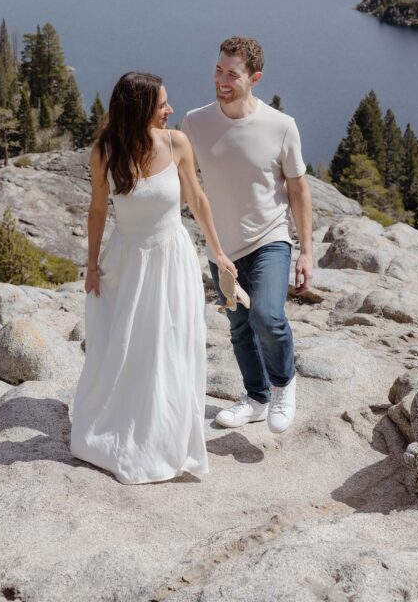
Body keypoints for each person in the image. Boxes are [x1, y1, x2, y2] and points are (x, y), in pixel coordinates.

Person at [69, 71, 236, 485]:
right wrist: (91, 265)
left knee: (173, 346)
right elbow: (96, 210)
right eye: (163, 104)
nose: (170, 110)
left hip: (172, 259)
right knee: (126, 347)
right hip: (127, 261)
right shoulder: (105, 150)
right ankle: (126, 430)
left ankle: (168, 435)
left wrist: (218, 252)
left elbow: (197, 199)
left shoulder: (177, 143)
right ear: (140, 107)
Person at [181, 36, 313, 435]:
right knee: (238, 327)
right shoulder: (194, 123)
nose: (222, 80)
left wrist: (307, 252)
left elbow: (298, 190)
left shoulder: (281, 126)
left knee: (267, 316)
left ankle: (284, 384)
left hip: (270, 239)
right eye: (218, 70)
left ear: (254, 77)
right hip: (220, 248)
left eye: (232, 74)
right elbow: (185, 182)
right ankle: (256, 397)